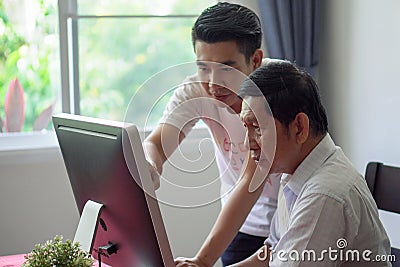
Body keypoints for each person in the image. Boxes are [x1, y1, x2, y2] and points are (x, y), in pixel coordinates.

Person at [179, 59, 391, 266]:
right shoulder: (295, 171)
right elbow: (272, 251)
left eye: (257, 128)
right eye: (246, 127)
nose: (246, 143)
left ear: (299, 127)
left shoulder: (324, 195)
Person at [143, 2, 280, 266]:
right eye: (203, 67)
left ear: (256, 60)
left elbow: (250, 183)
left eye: (227, 68)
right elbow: (157, 145)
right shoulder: (196, 89)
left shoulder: (280, 90)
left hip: (291, 221)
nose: (213, 81)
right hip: (239, 225)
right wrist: (150, 165)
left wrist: (202, 261)